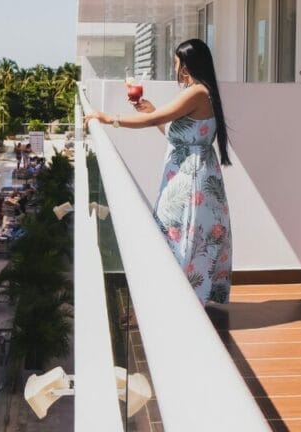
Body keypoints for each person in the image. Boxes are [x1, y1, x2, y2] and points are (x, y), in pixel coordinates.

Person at [85, 38, 233, 305]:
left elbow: (154, 120)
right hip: (192, 173)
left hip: (190, 179)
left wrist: (110, 118)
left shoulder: (197, 92)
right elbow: (175, 133)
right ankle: (183, 294)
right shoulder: (202, 91)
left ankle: (181, 297)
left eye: (176, 63)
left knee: (180, 230)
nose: (176, 68)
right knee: (186, 232)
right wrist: (151, 111)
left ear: (186, 65)